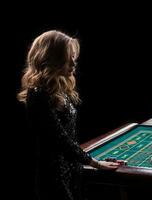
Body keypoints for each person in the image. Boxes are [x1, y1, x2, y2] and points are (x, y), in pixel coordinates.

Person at [17, 30, 119, 200]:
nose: (73, 62)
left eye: (74, 56)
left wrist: (83, 162)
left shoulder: (59, 89)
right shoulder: (37, 94)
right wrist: (94, 162)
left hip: (72, 170)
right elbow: (59, 138)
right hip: (53, 176)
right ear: (52, 59)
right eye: (67, 57)